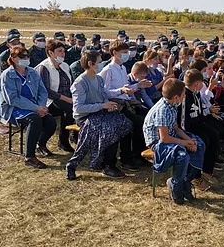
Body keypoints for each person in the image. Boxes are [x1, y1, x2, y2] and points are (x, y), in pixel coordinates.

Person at [65, 50, 132, 180]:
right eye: (99, 62)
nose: (102, 65)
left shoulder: (99, 79)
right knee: (110, 128)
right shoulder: (80, 83)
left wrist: (109, 105)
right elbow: (79, 108)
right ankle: (106, 164)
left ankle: (110, 160)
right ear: (90, 64)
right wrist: (102, 106)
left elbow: (102, 97)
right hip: (85, 116)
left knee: (123, 123)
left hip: (99, 112)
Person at [143, 78, 206, 205]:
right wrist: (184, 143)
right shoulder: (163, 110)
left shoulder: (172, 105)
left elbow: (176, 128)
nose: (185, 96)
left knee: (199, 144)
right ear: (177, 97)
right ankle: (176, 185)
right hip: (157, 143)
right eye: (183, 94)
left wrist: (189, 140)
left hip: (169, 137)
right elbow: (164, 138)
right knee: (182, 155)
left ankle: (185, 181)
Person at [0, 47, 57, 169]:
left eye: (27, 57)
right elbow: (12, 99)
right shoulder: (7, 75)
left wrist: (42, 106)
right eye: (22, 57)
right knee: (34, 120)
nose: (26, 59)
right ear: (13, 59)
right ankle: (29, 157)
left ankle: (41, 144)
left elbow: (42, 91)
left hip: (35, 107)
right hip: (14, 109)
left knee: (50, 121)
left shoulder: (32, 72)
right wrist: (36, 108)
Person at [99, 40, 150, 171]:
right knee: (133, 124)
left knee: (146, 119)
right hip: (115, 104)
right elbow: (105, 91)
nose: (127, 55)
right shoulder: (108, 70)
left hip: (126, 102)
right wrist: (121, 90)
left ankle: (138, 154)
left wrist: (138, 85)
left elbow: (126, 87)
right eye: (124, 52)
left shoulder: (122, 68)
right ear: (114, 53)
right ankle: (126, 157)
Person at [34, 40, 76, 153]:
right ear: (50, 53)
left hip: (66, 98)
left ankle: (66, 140)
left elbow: (71, 85)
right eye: (59, 51)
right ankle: (43, 143)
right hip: (49, 100)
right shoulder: (43, 67)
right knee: (69, 109)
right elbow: (46, 91)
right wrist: (68, 99)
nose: (63, 53)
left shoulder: (65, 66)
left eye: (63, 51)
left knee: (75, 107)